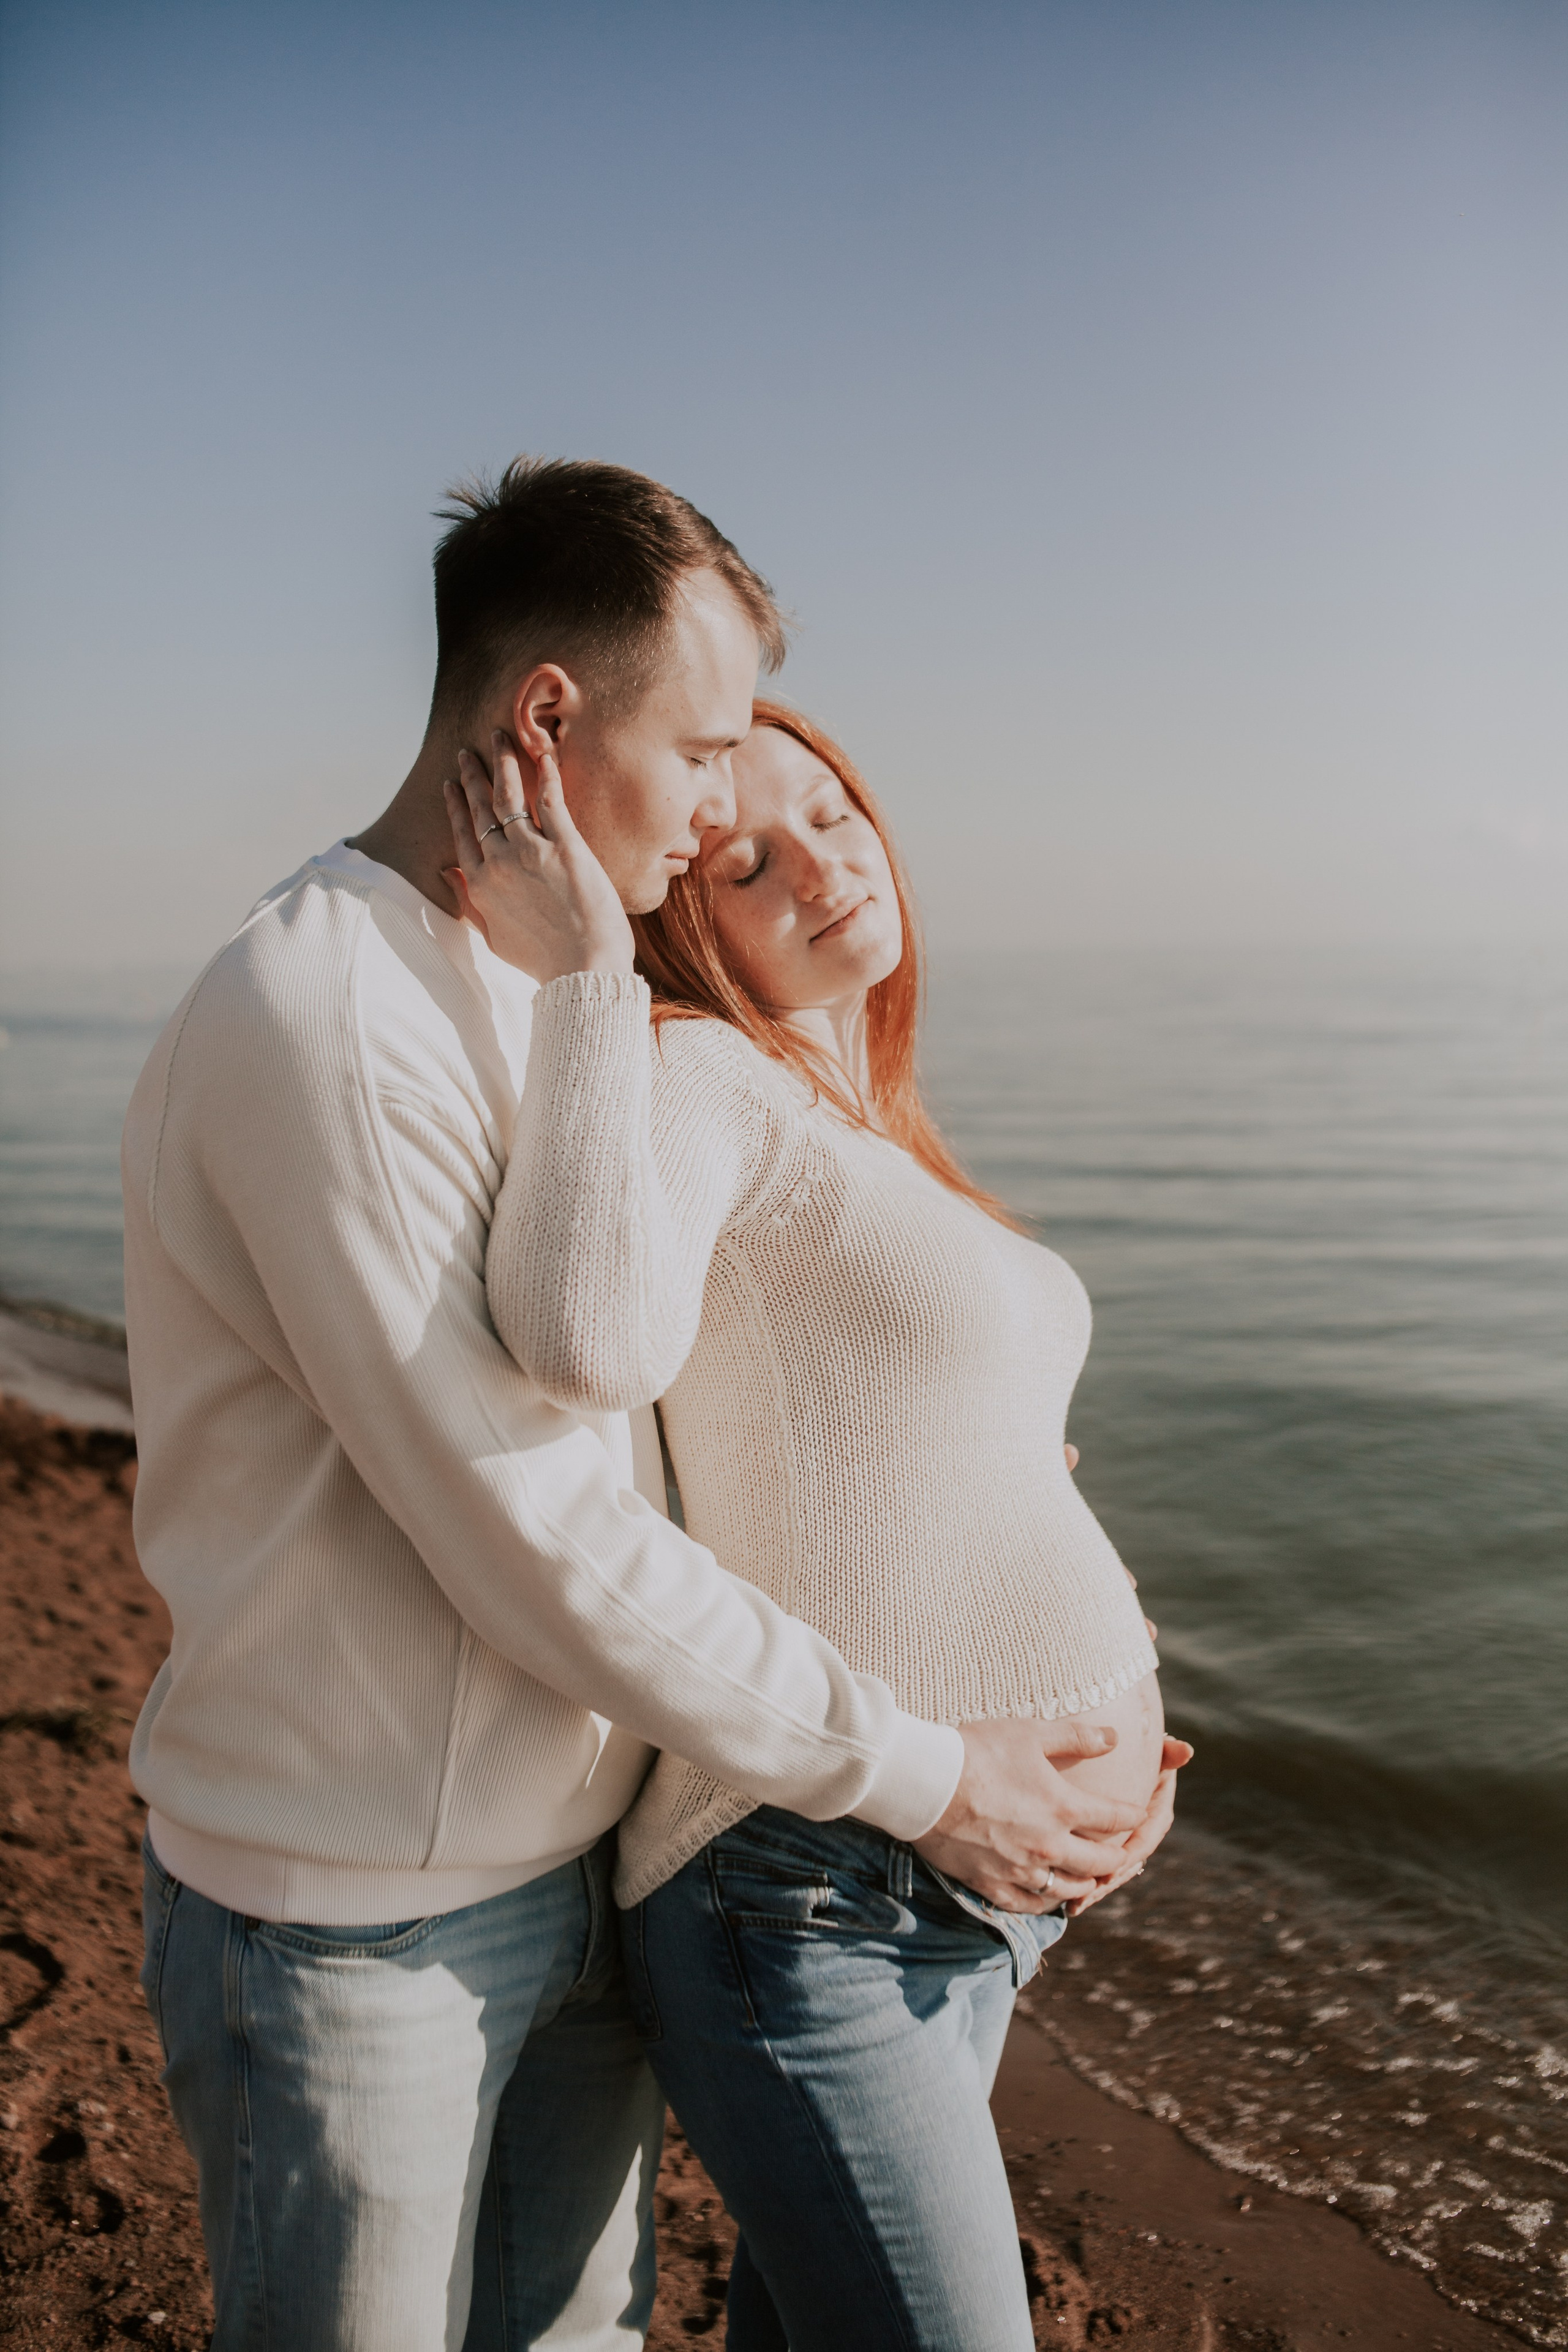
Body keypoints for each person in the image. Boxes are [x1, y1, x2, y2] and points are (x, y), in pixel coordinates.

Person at [121, 459, 1178, 2352]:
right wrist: (931, 1777)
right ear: (546, 718)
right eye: (702, 756)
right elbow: (533, 1523)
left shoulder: (529, 984)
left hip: (571, 1870)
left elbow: (687, 1407)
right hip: (360, 1915)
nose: (716, 817)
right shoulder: (332, 1019)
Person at [443, 699, 1192, 2350]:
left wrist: (1116, 1687)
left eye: (834, 812)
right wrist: (588, 980)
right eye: (745, 864)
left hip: (981, 1891)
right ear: (678, 919)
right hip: (814, 1888)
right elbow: (582, 1335)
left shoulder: (865, 1130)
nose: (820, 866)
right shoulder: (697, 1069)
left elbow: (974, 1464)